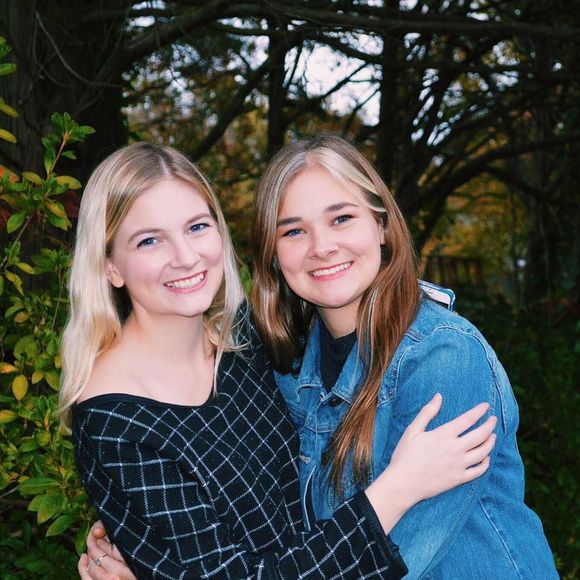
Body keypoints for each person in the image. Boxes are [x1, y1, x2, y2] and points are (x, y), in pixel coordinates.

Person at [61, 142, 497, 580]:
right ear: (110, 265)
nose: (185, 256)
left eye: (196, 227)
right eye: (149, 240)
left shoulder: (247, 346)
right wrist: (398, 488)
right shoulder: (116, 421)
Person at [249, 134, 558, 578]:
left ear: (381, 226)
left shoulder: (445, 357)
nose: (321, 246)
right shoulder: (290, 369)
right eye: (294, 231)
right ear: (274, 255)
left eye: (341, 218)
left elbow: (398, 563)